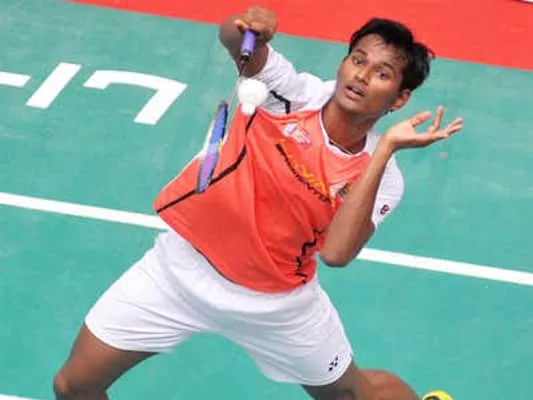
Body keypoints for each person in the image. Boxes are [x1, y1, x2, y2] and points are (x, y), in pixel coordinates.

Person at [53, 6, 462, 400]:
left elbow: (336, 254)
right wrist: (246, 26)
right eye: (358, 60)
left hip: (277, 305)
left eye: (382, 74)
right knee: (73, 387)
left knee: (351, 395)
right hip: (179, 271)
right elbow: (234, 40)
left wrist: (385, 148)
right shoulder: (293, 96)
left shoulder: (383, 177)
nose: (362, 76)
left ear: (400, 99)